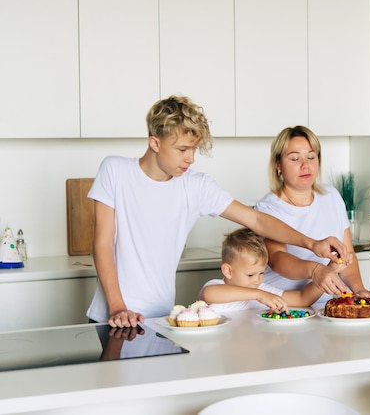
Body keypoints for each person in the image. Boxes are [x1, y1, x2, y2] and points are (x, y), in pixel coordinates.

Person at [87, 95, 348, 328]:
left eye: (194, 149)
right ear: (155, 143)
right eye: (182, 149)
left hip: (161, 317)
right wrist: (118, 307)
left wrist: (312, 244)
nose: (191, 158)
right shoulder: (115, 171)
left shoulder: (195, 185)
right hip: (111, 316)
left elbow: (256, 220)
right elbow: (102, 243)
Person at [255, 125, 370, 305]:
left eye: (311, 156)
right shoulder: (268, 208)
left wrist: (360, 290)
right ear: (278, 165)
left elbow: (347, 256)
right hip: (283, 305)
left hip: (324, 305)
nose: (305, 165)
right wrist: (316, 270)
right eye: (294, 158)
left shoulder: (331, 196)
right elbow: (277, 259)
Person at [200, 227, 325, 313]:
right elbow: (208, 294)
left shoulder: (262, 290)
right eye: (250, 275)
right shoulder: (217, 286)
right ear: (228, 271)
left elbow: (303, 299)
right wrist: (259, 295)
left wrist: (328, 273)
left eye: (261, 273)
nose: (257, 281)